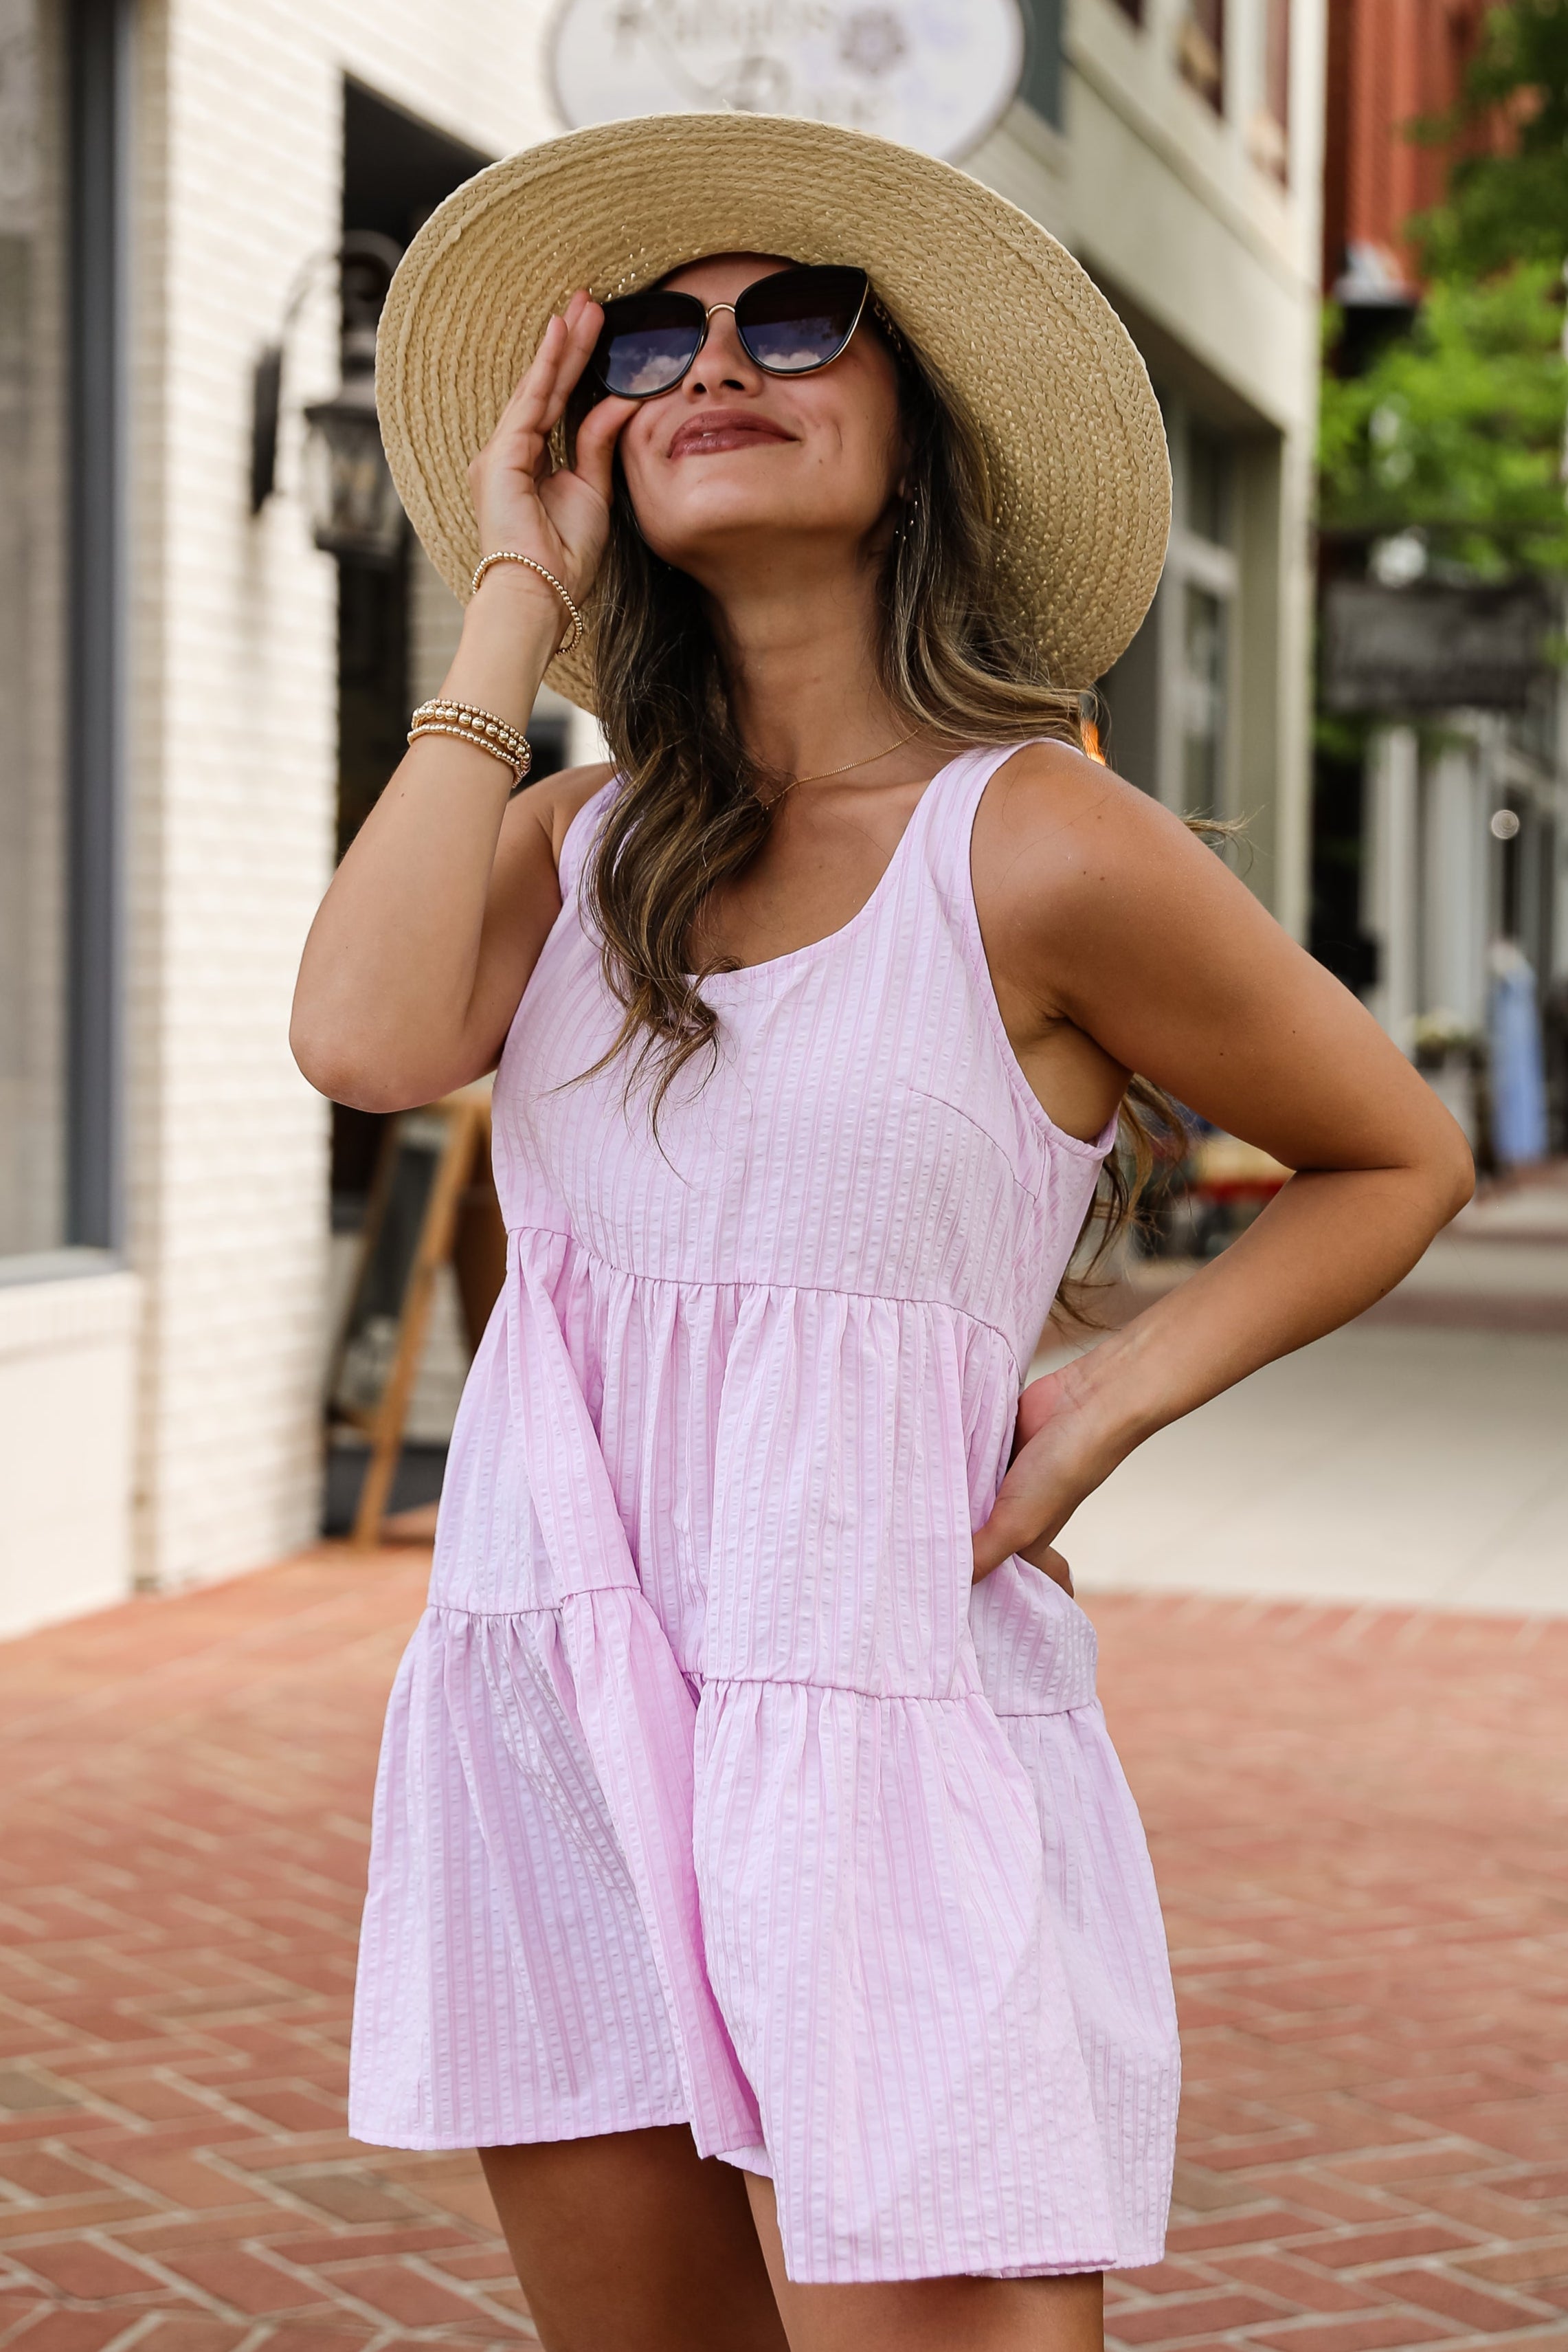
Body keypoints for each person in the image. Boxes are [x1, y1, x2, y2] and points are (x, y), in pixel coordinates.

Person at [291, 115, 1473, 2352]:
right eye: (653, 335)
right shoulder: (569, 841)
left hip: (883, 1741)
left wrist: (1107, 1399)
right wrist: (509, 594)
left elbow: (1389, 1151)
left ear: (911, 425)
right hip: (561, 1712)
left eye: (796, 319)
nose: (717, 361)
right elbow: (357, 1041)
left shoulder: (1037, 843)